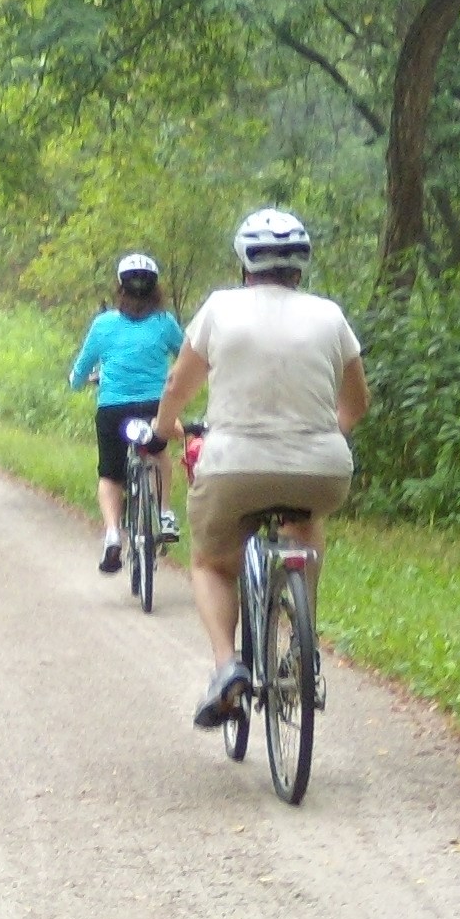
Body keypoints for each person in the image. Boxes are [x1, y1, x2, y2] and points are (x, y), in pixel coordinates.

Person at [149, 209, 369, 728]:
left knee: (211, 562)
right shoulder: (330, 316)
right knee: (306, 519)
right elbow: (357, 403)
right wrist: (318, 439)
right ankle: (301, 644)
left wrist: (163, 431)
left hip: (234, 467)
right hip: (321, 467)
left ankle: (227, 667)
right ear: (301, 265)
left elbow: (178, 386)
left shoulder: (220, 309)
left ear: (245, 262)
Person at [68, 253, 186, 573]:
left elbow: (82, 368)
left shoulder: (103, 324)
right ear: (155, 289)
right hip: (153, 407)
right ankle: (163, 514)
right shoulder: (164, 323)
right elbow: (188, 355)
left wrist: (77, 382)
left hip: (112, 410)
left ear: (120, 287)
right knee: (159, 453)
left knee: (110, 475)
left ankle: (111, 536)